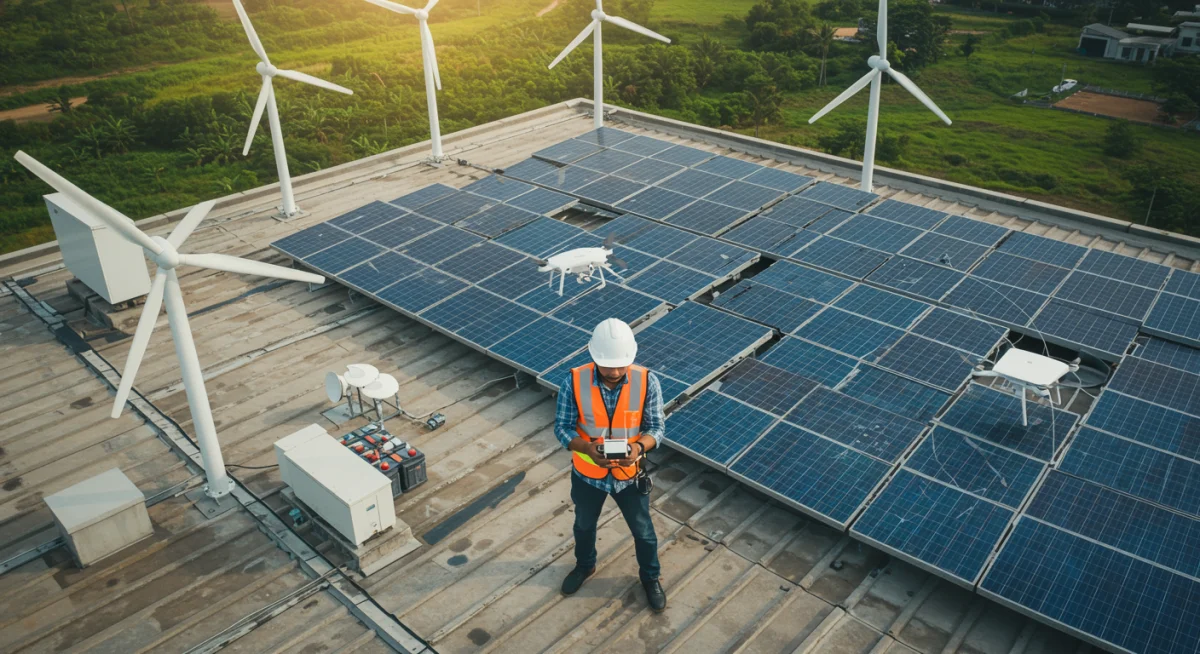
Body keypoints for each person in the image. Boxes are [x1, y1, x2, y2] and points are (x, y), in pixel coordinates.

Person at [554, 318, 666, 612]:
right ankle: (585, 565)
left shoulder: (647, 381)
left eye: (620, 365)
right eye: (608, 366)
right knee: (583, 525)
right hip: (588, 475)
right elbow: (563, 427)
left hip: (629, 474)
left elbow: (656, 428)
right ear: (594, 357)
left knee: (643, 532)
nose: (615, 371)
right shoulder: (573, 381)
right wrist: (587, 448)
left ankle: (650, 577)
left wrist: (639, 447)